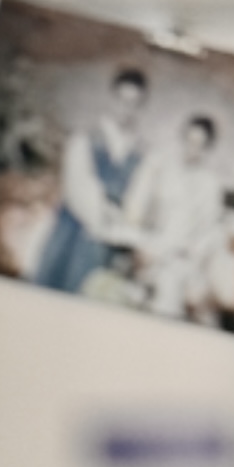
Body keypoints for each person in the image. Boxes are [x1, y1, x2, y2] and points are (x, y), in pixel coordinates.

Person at [37, 59, 158, 294]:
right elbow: (77, 186)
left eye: (133, 103)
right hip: (76, 228)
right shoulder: (85, 138)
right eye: (122, 100)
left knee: (98, 290)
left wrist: (125, 223)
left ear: (140, 107)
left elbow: (138, 196)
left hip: (112, 235)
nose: (125, 109)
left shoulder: (141, 152)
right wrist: (100, 216)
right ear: (112, 98)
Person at [135, 107, 234, 326]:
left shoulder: (210, 184)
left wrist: (188, 253)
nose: (192, 149)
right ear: (182, 139)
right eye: (189, 141)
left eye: (199, 145)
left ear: (208, 148)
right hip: (154, 250)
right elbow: (147, 216)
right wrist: (148, 247)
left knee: (171, 294)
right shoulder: (164, 170)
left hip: (184, 257)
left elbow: (209, 229)